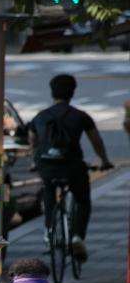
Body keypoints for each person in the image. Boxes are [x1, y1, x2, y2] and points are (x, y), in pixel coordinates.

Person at [29, 73, 114, 261]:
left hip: (47, 166)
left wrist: (35, 162)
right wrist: (104, 161)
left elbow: (33, 142)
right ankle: (77, 236)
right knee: (83, 199)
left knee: (49, 190)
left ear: (52, 92)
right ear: (73, 92)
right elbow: (96, 141)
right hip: (72, 167)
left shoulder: (40, 117)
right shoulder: (81, 116)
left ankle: (48, 231)